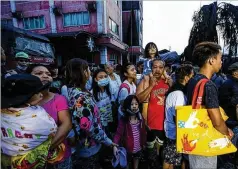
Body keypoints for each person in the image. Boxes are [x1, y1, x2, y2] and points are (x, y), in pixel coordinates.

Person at [186, 42, 234, 169]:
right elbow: (217, 121)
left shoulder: (193, 80)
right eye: (220, 58)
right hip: (206, 143)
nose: (221, 62)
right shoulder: (208, 85)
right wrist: (227, 133)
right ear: (212, 60)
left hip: (194, 138)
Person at [65, 58, 117, 169]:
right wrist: (109, 142)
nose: (89, 72)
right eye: (88, 69)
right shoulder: (82, 97)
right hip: (88, 147)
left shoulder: (72, 90)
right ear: (83, 72)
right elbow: (89, 127)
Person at [1, 74, 58, 169]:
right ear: (26, 97)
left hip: (6, 159)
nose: (41, 94)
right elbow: (52, 130)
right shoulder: (39, 116)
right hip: (31, 162)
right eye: (37, 92)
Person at [26, 64, 72, 169]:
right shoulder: (21, 101)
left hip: (57, 157)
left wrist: (42, 152)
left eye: (48, 74)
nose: (45, 76)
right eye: (39, 73)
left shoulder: (59, 99)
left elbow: (66, 124)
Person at [136, 59, 172, 168]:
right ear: (151, 68)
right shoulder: (145, 81)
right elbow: (138, 99)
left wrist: (169, 79)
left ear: (164, 69)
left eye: (160, 67)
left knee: (162, 155)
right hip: (150, 125)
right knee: (150, 157)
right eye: (155, 67)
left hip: (165, 125)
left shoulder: (168, 82)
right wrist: (151, 86)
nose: (157, 70)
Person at [163, 64, 194, 169]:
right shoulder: (179, 94)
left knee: (171, 161)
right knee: (169, 161)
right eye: (192, 76)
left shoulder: (176, 91)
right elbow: (178, 117)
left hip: (173, 131)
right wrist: (182, 135)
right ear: (186, 78)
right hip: (175, 133)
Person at [113, 95, 147, 169]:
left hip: (138, 147)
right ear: (127, 106)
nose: (134, 106)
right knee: (127, 162)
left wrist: (143, 143)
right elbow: (118, 133)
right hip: (128, 148)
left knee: (136, 158)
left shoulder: (140, 118)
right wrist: (114, 145)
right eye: (132, 104)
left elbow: (143, 132)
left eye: (136, 104)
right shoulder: (124, 120)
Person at [92, 69, 113, 135]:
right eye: (100, 77)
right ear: (95, 79)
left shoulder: (108, 90)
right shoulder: (92, 93)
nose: (104, 78)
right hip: (98, 122)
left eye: (105, 76)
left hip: (108, 119)